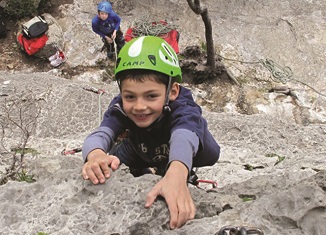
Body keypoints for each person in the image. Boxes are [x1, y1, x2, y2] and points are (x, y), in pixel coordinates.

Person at [81, 36, 220, 229]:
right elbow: (100, 135)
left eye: (151, 96)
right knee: (113, 159)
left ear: (172, 92)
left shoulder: (183, 106)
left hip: (187, 150)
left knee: (181, 154)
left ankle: (169, 168)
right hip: (140, 149)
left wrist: (178, 172)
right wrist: (95, 155)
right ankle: (150, 170)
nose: (139, 106)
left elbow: (184, 136)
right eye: (130, 96)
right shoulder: (120, 106)